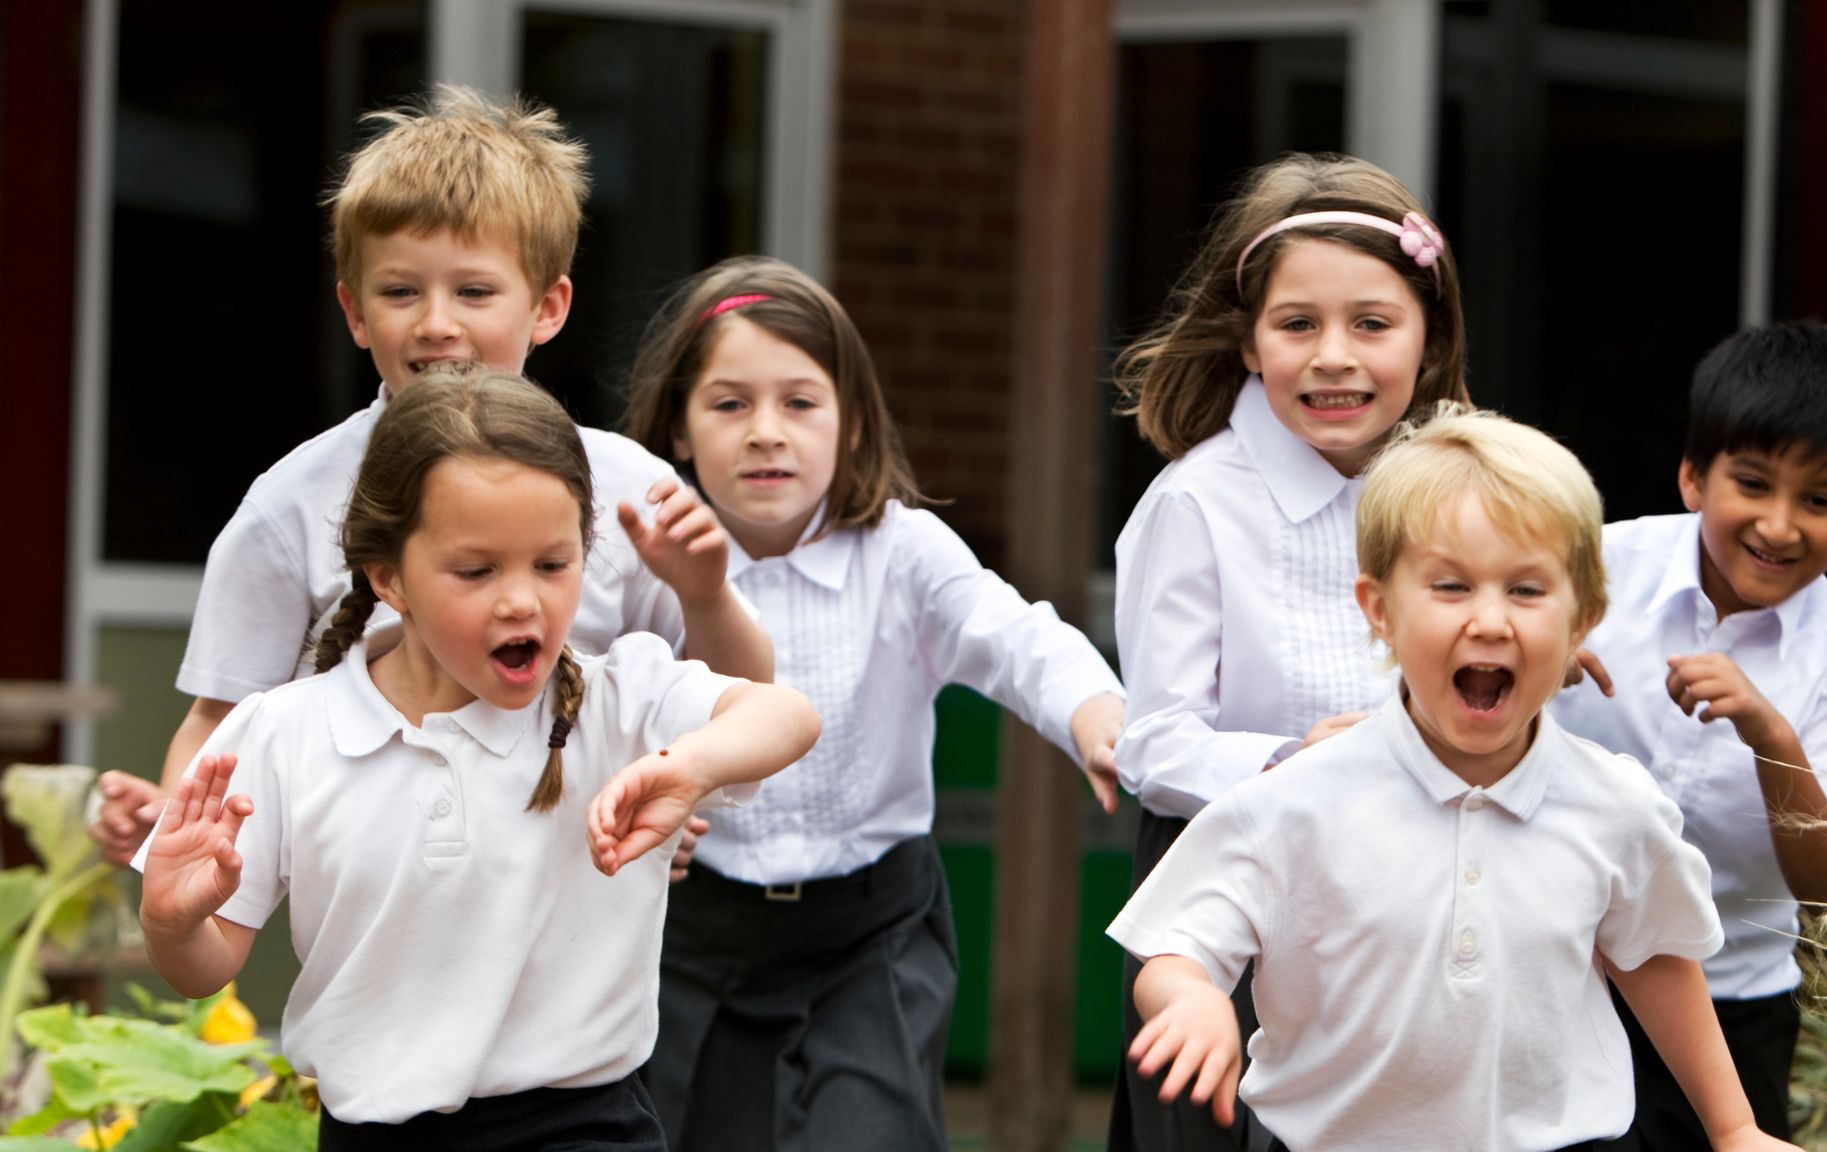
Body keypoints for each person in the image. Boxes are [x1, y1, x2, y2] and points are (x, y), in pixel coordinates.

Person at [137, 369, 820, 1150]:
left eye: (553, 565)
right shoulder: (287, 731)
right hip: (369, 1130)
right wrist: (172, 920)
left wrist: (693, 763)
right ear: (389, 576)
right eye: (477, 570)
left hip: (583, 1125)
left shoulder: (617, 699)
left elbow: (786, 715)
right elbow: (203, 966)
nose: (522, 601)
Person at [90, 84, 770, 866]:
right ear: (354, 312)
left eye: (474, 291)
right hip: (377, 913)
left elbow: (744, 709)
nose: (436, 322)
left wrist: (703, 595)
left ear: (547, 307)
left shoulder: (629, 490)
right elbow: (222, 721)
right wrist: (179, 841)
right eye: (401, 291)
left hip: (581, 907)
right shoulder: (291, 504)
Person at [1110, 407, 1802, 1152]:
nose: (1491, 621)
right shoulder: (1296, 799)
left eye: (1527, 591)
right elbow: (1177, 944)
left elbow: (1657, 956)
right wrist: (1191, 997)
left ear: (1584, 618)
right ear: (1379, 610)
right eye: (1451, 587)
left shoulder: (1616, 804)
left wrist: (1733, 1128)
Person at [618, 255, 1125, 1152]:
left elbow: (1013, 635)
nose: (766, 432)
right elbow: (590, 702)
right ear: (680, 430)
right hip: (695, 935)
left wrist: (1093, 709)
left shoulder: (902, 551)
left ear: (852, 425)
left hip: (870, 928)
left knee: (872, 1130)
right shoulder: (648, 560)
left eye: (801, 403)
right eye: (730, 404)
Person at [1109, 152, 1471, 1150]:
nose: (1332, 357)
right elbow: (1154, 747)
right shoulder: (1197, 504)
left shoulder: (1461, 490)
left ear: (1426, 338)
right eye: (1296, 324)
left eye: (1371, 323)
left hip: (1408, 896)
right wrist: (1293, 760)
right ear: (1248, 339)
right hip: (1227, 899)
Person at [1550, 322, 1827, 1148]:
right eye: (1753, 484)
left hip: (1731, 1009)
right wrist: (1530, 673)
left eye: (1819, 501)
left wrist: (1771, 734)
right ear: (1692, 478)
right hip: (1558, 978)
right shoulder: (1592, 570)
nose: (1780, 526)